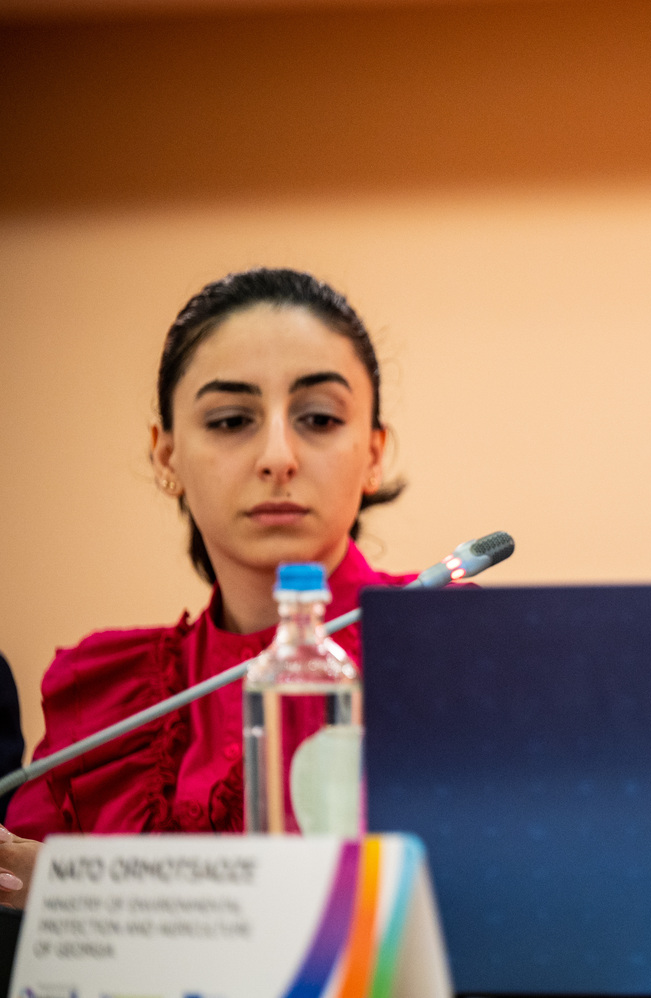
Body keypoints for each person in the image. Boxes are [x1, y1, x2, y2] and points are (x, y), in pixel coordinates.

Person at [0, 268, 413, 905]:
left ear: (375, 454)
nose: (278, 457)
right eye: (229, 420)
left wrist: (86, 888)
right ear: (166, 455)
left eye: (320, 418)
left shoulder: (449, 647)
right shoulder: (106, 702)